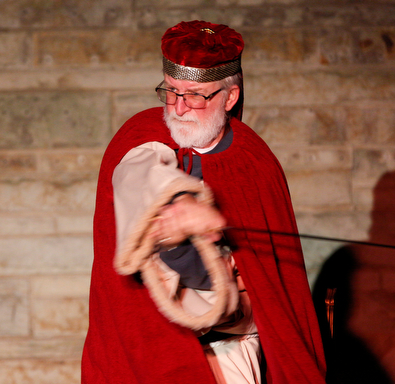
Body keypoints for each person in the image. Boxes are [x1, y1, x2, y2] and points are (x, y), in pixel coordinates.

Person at [81, 20, 326, 384]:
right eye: (171, 90)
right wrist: (177, 203)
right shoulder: (140, 137)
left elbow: (270, 287)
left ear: (229, 97)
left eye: (195, 95)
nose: (179, 107)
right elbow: (139, 173)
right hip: (145, 345)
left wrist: (230, 276)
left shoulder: (254, 161)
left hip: (230, 344)